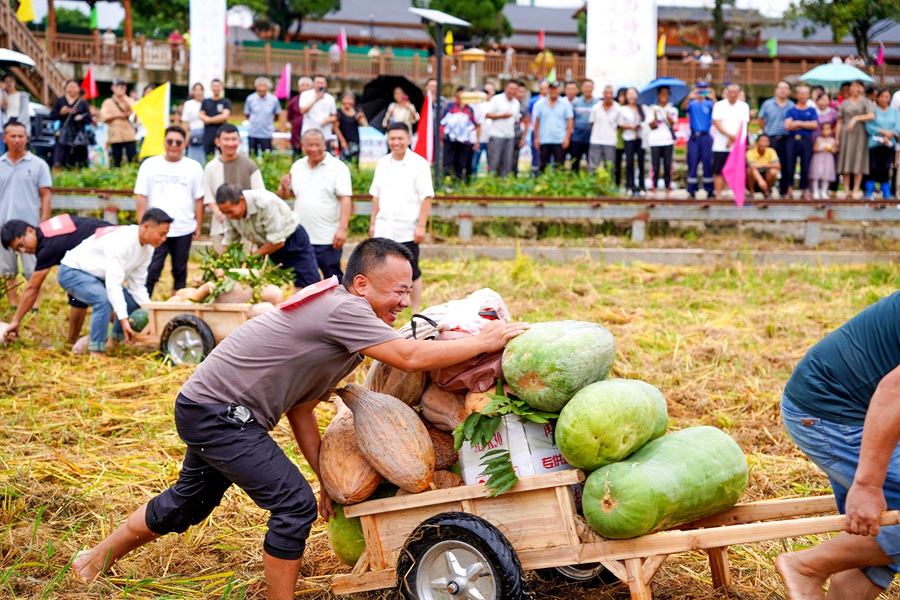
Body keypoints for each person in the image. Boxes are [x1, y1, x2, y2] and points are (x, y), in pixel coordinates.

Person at [70, 237, 529, 599]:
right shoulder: (345, 308)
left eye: (409, 290)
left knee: (187, 503)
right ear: (363, 283)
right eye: (397, 290)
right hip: (219, 413)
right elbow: (408, 355)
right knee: (293, 506)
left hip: (210, 408)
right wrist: (484, 341)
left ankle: (93, 559)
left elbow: (302, 407)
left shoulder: (347, 326)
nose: (403, 301)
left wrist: (325, 478)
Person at [775, 290, 900, 600]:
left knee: (876, 536)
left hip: (853, 403)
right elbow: (893, 393)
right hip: (835, 409)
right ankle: (807, 565)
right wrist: (869, 485)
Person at [58, 209, 172, 357]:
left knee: (131, 303)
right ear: (146, 227)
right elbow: (113, 284)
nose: (164, 239)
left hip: (99, 276)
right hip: (73, 271)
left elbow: (137, 285)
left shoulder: (148, 249)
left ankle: (115, 341)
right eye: (161, 233)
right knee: (103, 300)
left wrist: (151, 310)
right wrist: (123, 319)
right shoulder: (122, 241)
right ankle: (96, 349)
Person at [1, 214, 109, 345]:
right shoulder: (47, 228)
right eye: (18, 250)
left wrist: (16, 320)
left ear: (29, 230)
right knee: (78, 294)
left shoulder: (48, 246)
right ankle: (71, 342)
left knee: (103, 298)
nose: (23, 250)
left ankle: (104, 343)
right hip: (109, 237)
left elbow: (32, 288)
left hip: (109, 248)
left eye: (21, 244)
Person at [368, 123, 434, 315]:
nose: (396, 142)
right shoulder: (382, 163)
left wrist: (421, 226)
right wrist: (373, 223)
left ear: (409, 139)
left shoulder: (419, 164)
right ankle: (384, 308)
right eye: (392, 139)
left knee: (412, 271)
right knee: (381, 270)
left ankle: (415, 311)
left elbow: (426, 197)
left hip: (407, 227)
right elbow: (376, 195)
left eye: (400, 138)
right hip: (383, 227)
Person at [135, 126, 204, 297]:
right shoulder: (150, 165)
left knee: (180, 272)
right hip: (155, 230)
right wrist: (142, 224)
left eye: (178, 142)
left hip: (184, 228)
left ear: (185, 144)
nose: (174, 145)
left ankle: (176, 308)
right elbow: (141, 196)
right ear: (164, 142)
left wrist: (199, 225)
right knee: (151, 270)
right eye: (170, 141)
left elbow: (199, 198)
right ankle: (143, 306)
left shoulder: (194, 167)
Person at [278, 129, 352, 281]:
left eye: (317, 145)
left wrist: (342, 229)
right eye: (309, 145)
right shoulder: (297, 166)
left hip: (328, 236)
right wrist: (283, 187)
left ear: (324, 144)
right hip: (301, 236)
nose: (313, 149)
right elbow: (284, 195)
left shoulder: (338, 168)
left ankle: (335, 306)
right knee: (304, 280)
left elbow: (345, 200)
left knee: (333, 279)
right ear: (302, 146)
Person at [216, 185, 320, 291]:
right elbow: (229, 243)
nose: (227, 216)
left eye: (230, 212)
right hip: (266, 247)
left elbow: (277, 242)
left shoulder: (265, 202)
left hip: (292, 241)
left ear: (242, 201)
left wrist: (248, 259)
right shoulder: (228, 214)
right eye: (224, 213)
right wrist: (218, 266)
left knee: (310, 285)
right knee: (262, 286)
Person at [0, 121, 52, 309]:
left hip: (30, 228)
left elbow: (45, 196)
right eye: (12, 136)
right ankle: (14, 304)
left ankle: (34, 306)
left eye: (20, 136)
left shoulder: (38, 165)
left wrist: (43, 224)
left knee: (33, 270)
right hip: (3, 226)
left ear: (26, 138)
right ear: (4, 138)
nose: (17, 140)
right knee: (7, 270)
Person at [204, 124, 266, 254]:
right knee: (221, 264)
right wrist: (220, 213)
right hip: (219, 227)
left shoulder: (250, 165)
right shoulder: (211, 167)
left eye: (234, 139)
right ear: (218, 142)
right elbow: (208, 195)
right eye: (226, 139)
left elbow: (260, 194)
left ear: (240, 141)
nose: (230, 143)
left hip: (247, 230)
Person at [836, 80, 876, 199]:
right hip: (846, 132)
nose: (855, 88)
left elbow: (871, 115)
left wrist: (856, 118)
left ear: (862, 88)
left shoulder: (866, 101)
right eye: (853, 86)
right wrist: (837, 138)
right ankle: (846, 189)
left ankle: (855, 189)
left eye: (858, 86)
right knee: (846, 159)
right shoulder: (845, 102)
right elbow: (839, 121)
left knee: (859, 158)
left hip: (860, 133)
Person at [712, 84, 750, 200]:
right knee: (718, 170)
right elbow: (717, 123)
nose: (732, 95)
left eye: (735, 92)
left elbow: (744, 124)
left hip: (737, 145)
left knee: (737, 170)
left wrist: (734, 139)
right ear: (726, 92)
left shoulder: (744, 106)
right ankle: (718, 195)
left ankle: (736, 194)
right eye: (730, 92)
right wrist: (730, 136)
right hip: (720, 143)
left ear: (739, 93)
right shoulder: (719, 105)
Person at [758, 81, 795, 198]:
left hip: (787, 138)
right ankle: (767, 189)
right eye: (780, 88)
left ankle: (785, 190)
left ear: (789, 91)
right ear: (775, 90)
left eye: (785, 88)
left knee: (787, 164)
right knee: (770, 164)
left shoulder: (792, 105)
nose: (783, 90)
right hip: (771, 138)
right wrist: (767, 133)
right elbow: (761, 120)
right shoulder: (767, 104)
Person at [681, 82, 717, 199]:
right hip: (694, 136)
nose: (701, 92)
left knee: (708, 162)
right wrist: (689, 97)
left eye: (704, 89)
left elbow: (719, 110)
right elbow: (683, 107)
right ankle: (691, 189)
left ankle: (709, 189)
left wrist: (713, 97)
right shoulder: (691, 103)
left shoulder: (709, 103)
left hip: (706, 136)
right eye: (699, 89)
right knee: (692, 162)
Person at [784, 85, 819, 201]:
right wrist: (805, 124)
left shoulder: (811, 110)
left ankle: (804, 189)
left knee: (805, 165)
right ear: (797, 95)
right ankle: (789, 188)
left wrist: (798, 123)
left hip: (806, 141)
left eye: (806, 93)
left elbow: (814, 125)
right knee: (790, 165)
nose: (804, 96)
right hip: (792, 140)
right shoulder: (791, 110)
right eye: (802, 93)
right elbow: (788, 126)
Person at [864, 88, 899, 200]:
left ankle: (886, 192)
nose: (885, 99)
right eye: (882, 96)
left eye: (887, 97)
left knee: (885, 167)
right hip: (874, 143)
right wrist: (883, 132)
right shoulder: (872, 111)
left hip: (889, 143)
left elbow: (897, 127)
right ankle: (869, 192)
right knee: (872, 167)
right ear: (877, 98)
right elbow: (870, 126)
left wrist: (890, 135)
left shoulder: (894, 112)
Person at [532, 80, 574, 172]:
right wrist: (536, 138)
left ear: (559, 90)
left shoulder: (565, 103)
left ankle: (558, 184)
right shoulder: (540, 103)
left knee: (559, 165)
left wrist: (567, 137)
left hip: (559, 139)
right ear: (548, 90)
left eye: (555, 89)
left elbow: (570, 121)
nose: (553, 91)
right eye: (551, 89)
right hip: (544, 139)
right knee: (543, 165)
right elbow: (536, 122)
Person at [50, 79, 92, 169]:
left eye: (74, 87)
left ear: (79, 89)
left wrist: (81, 118)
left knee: (79, 158)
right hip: (63, 133)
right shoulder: (60, 101)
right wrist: (61, 113)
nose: (72, 89)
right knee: (60, 156)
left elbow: (89, 118)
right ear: (66, 88)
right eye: (69, 87)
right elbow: (52, 115)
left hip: (78, 133)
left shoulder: (83, 103)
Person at [440, 86, 479, 181]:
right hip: (450, 140)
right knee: (448, 162)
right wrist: (441, 138)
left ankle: (457, 181)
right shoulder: (449, 106)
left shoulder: (470, 109)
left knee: (461, 163)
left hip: (464, 142)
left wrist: (475, 140)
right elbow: (441, 123)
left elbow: (473, 126)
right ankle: (447, 181)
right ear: (457, 93)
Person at [646, 86, 678, 197]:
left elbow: (673, 123)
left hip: (668, 141)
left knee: (668, 165)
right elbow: (650, 125)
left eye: (666, 93)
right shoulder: (652, 108)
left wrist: (668, 116)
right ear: (658, 95)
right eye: (662, 93)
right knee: (655, 165)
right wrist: (655, 117)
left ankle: (668, 188)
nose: (664, 96)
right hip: (655, 141)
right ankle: (653, 187)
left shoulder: (672, 109)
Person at [485, 80, 521, 177]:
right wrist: (501, 116)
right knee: (494, 163)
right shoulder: (496, 99)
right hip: (496, 136)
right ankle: (491, 184)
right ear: (506, 89)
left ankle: (504, 186)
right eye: (511, 88)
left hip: (509, 137)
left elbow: (516, 119)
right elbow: (487, 114)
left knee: (508, 163)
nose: (512, 91)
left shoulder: (516, 103)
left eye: (515, 89)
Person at [100, 79, 136, 168]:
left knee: (132, 158)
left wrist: (123, 96)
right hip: (115, 135)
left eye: (122, 86)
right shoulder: (108, 102)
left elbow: (135, 110)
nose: (120, 88)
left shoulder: (129, 100)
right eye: (117, 86)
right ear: (112, 88)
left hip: (129, 134)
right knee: (116, 160)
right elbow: (103, 116)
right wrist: (117, 115)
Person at [618, 87, 647, 197]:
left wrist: (640, 126)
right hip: (629, 138)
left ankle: (642, 186)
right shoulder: (623, 109)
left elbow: (647, 121)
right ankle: (629, 185)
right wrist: (630, 127)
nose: (632, 96)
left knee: (641, 162)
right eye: (629, 94)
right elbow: (619, 124)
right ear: (626, 96)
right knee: (629, 162)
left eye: (634, 93)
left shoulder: (642, 108)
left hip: (640, 138)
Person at [244, 77, 282, 156]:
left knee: (267, 157)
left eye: (264, 86)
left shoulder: (274, 100)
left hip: (266, 134)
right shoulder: (250, 99)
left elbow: (277, 115)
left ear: (267, 87)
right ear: (256, 87)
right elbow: (247, 114)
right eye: (259, 86)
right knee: (252, 157)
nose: (262, 88)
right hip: (253, 133)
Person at [587, 85, 619, 173]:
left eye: (610, 93)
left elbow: (619, 125)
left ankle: (609, 186)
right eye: (606, 93)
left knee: (610, 167)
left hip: (610, 142)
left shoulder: (618, 109)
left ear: (613, 95)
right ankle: (592, 185)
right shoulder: (596, 108)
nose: (608, 95)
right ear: (603, 94)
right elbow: (591, 123)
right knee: (593, 167)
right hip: (596, 140)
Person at [299, 75, 337, 146]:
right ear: (314, 84)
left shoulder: (330, 98)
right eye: (317, 83)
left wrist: (327, 120)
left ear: (325, 84)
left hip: (325, 133)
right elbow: (302, 111)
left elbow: (334, 116)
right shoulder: (305, 95)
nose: (319, 85)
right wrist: (316, 99)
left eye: (322, 83)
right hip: (309, 131)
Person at [570, 79, 598, 172]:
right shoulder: (576, 103)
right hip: (577, 138)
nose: (587, 89)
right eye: (585, 86)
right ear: (582, 88)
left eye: (590, 87)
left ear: (593, 88)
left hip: (592, 138)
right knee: (575, 162)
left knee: (591, 163)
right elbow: (571, 119)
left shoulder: (598, 103)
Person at [199, 79, 232, 157]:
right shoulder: (205, 101)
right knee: (208, 156)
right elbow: (201, 115)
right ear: (211, 87)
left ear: (221, 87)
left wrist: (209, 120)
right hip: (208, 134)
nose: (216, 88)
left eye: (218, 86)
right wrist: (215, 119)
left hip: (222, 133)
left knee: (224, 155)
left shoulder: (225, 102)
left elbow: (225, 116)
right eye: (214, 86)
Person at [470, 82, 495, 176]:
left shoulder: (491, 104)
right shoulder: (471, 106)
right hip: (476, 139)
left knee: (491, 164)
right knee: (474, 164)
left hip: (489, 138)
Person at [334, 91, 367, 163]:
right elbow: (335, 127)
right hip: (344, 140)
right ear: (342, 100)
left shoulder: (356, 111)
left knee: (355, 161)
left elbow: (361, 125)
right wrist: (342, 141)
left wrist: (360, 119)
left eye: (350, 99)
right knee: (344, 161)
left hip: (355, 140)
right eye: (346, 98)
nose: (348, 101)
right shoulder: (339, 112)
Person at [810, 122, 837, 200]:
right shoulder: (819, 139)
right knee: (816, 175)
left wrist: (830, 149)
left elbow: (834, 150)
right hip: (818, 159)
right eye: (824, 129)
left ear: (831, 130)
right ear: (821, 131)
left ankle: (824, 191)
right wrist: (822, 148)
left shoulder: (832, 140)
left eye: (828, 129)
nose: (826, 131)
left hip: (828, 160)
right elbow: (814, 149)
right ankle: (815, 191)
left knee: (826, 176)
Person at [181, 82, 206, 165]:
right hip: (193, 133)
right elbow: (185, 121)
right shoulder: (188, 104)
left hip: (205, 133)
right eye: (196, 90)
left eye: (200, 90)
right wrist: (186, 136)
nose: (198, 92)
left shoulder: (207, 102)